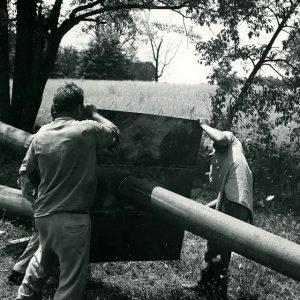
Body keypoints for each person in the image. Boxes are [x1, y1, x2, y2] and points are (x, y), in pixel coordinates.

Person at [16, 82, 120, 300]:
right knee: (70, 284)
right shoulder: (87, 129)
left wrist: (37, 202)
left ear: (56, 108)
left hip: (43, 217)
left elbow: (26, 178)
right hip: (73, 220)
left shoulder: (40, 135)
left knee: (40, 264)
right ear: (78, 108)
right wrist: (94, 113)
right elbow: (114, 133)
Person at [183, 118, 253, 299]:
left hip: (236, 205)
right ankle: (204, 286)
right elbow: (223, 196)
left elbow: (221, 138)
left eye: (212, 146)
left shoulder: (231, 141)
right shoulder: (226, 162)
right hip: (231, 202)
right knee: (213, 244)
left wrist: (203, 125)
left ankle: (218, 293)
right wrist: (202, 209)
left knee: (222, 248)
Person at [8, 136, 39, 285]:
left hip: (32, 183)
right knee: (43, 232)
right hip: (35, 186)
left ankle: (19, 271)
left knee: (43, 232)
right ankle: (19, 272)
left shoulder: (44, 133)